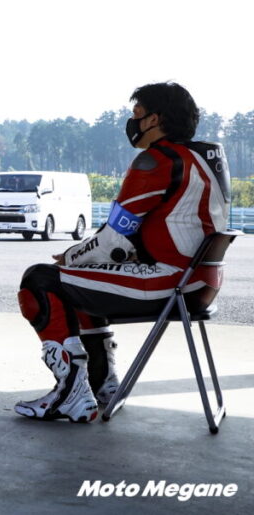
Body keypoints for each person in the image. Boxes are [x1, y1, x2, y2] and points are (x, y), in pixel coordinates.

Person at [14, 82, 230, 423]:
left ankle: (71, 393)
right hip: (201, 283)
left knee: (40, 279)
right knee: (79, 282)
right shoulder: (206, 157)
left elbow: (113, 242)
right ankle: (101, 384)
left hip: (169, 282)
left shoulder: (155, 160)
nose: (132, 122)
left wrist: (70, 256)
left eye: (136, 114)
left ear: (154, 119)